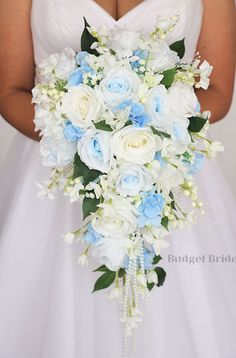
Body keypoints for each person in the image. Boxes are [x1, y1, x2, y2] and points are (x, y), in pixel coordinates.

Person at [0, 0, 235, 357]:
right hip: (54, 178)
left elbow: (217, 90)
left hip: (166, 170)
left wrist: (148, 134)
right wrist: (85, 132)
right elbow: (9, 91)